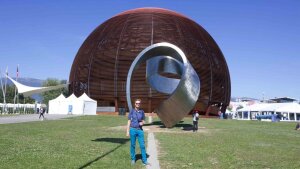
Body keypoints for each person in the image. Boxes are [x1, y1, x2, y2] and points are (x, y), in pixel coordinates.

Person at [126, 99, 150, 166]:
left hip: (140, 130)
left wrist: (142, 122)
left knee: (142, 145)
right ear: (134, 104)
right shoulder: (132, 111)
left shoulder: (142, 112)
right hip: (132, 130)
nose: (138, 104)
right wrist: (127, 131)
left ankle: (144, 160)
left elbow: (144, 120)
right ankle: (133, 159)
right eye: (136, 103)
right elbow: (129, 121)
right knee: (133, 145)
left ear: (140, 104)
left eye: (139, 103)